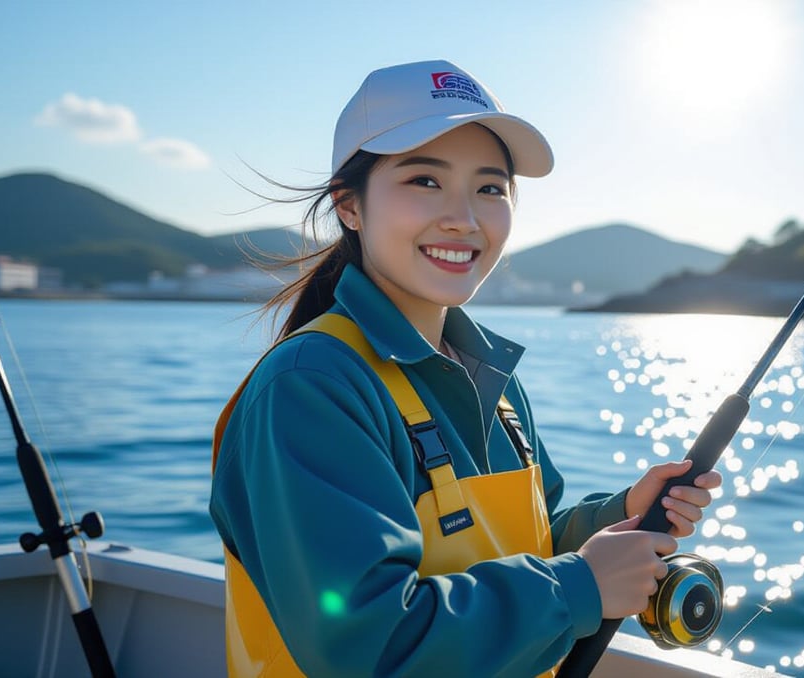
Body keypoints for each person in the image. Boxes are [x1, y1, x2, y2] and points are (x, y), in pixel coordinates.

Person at [209, 59, 722, 678]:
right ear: (349, 206)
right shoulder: (311, 386)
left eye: (490, 188)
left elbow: (528, 545)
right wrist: (580, 587)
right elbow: (368, 644)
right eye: (425, 180)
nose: (464, 217)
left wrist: (618, 517)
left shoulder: (491, 376)